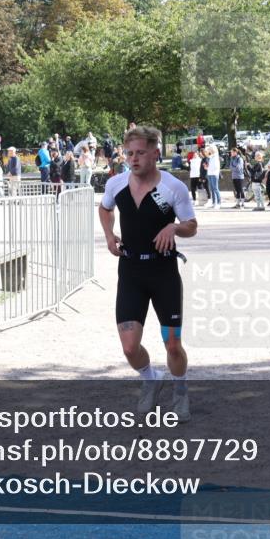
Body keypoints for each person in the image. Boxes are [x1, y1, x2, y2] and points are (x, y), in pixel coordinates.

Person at [98, 126, 198, 422]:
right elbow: (105, 210)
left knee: (173, 345)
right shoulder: (116, 184)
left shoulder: (172, 188)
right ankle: (151, 378)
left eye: (140, 152)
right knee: (129, 348)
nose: (134, 158)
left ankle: (179, 391)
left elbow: (192, 225)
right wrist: (108, 235)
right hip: (130, 271)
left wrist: (174, 227)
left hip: (163, 271)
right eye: (129, 153)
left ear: (155, 153)